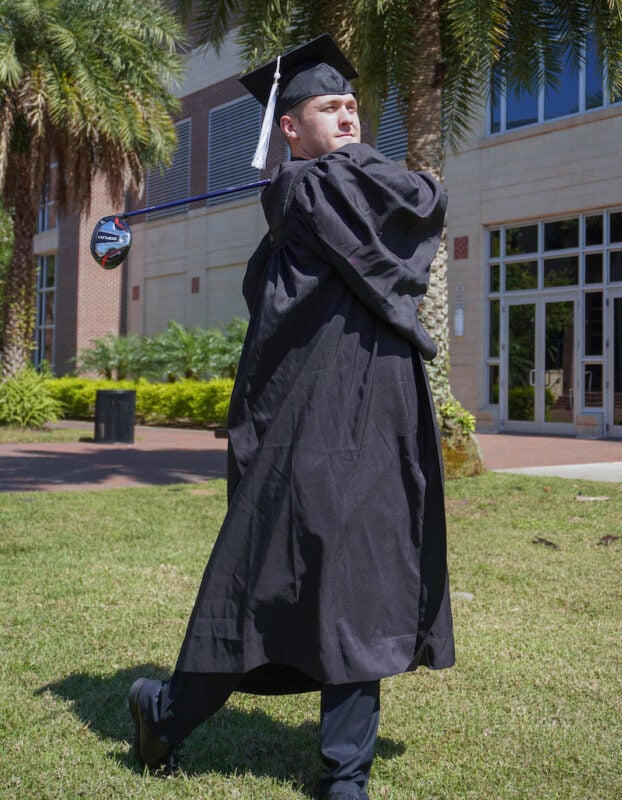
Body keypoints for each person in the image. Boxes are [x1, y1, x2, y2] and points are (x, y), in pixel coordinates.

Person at [129, 34, 454, 800]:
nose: (348, 118)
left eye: (352, 106)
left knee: (360, 581)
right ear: (289, 128)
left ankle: (346, 774)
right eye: (327, 108)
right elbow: (421, 200)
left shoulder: (316, 195)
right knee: (263, 586)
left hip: (377, 414)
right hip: (313, 423)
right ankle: (163, 713)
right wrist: (427, 177)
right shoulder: (316, 190)